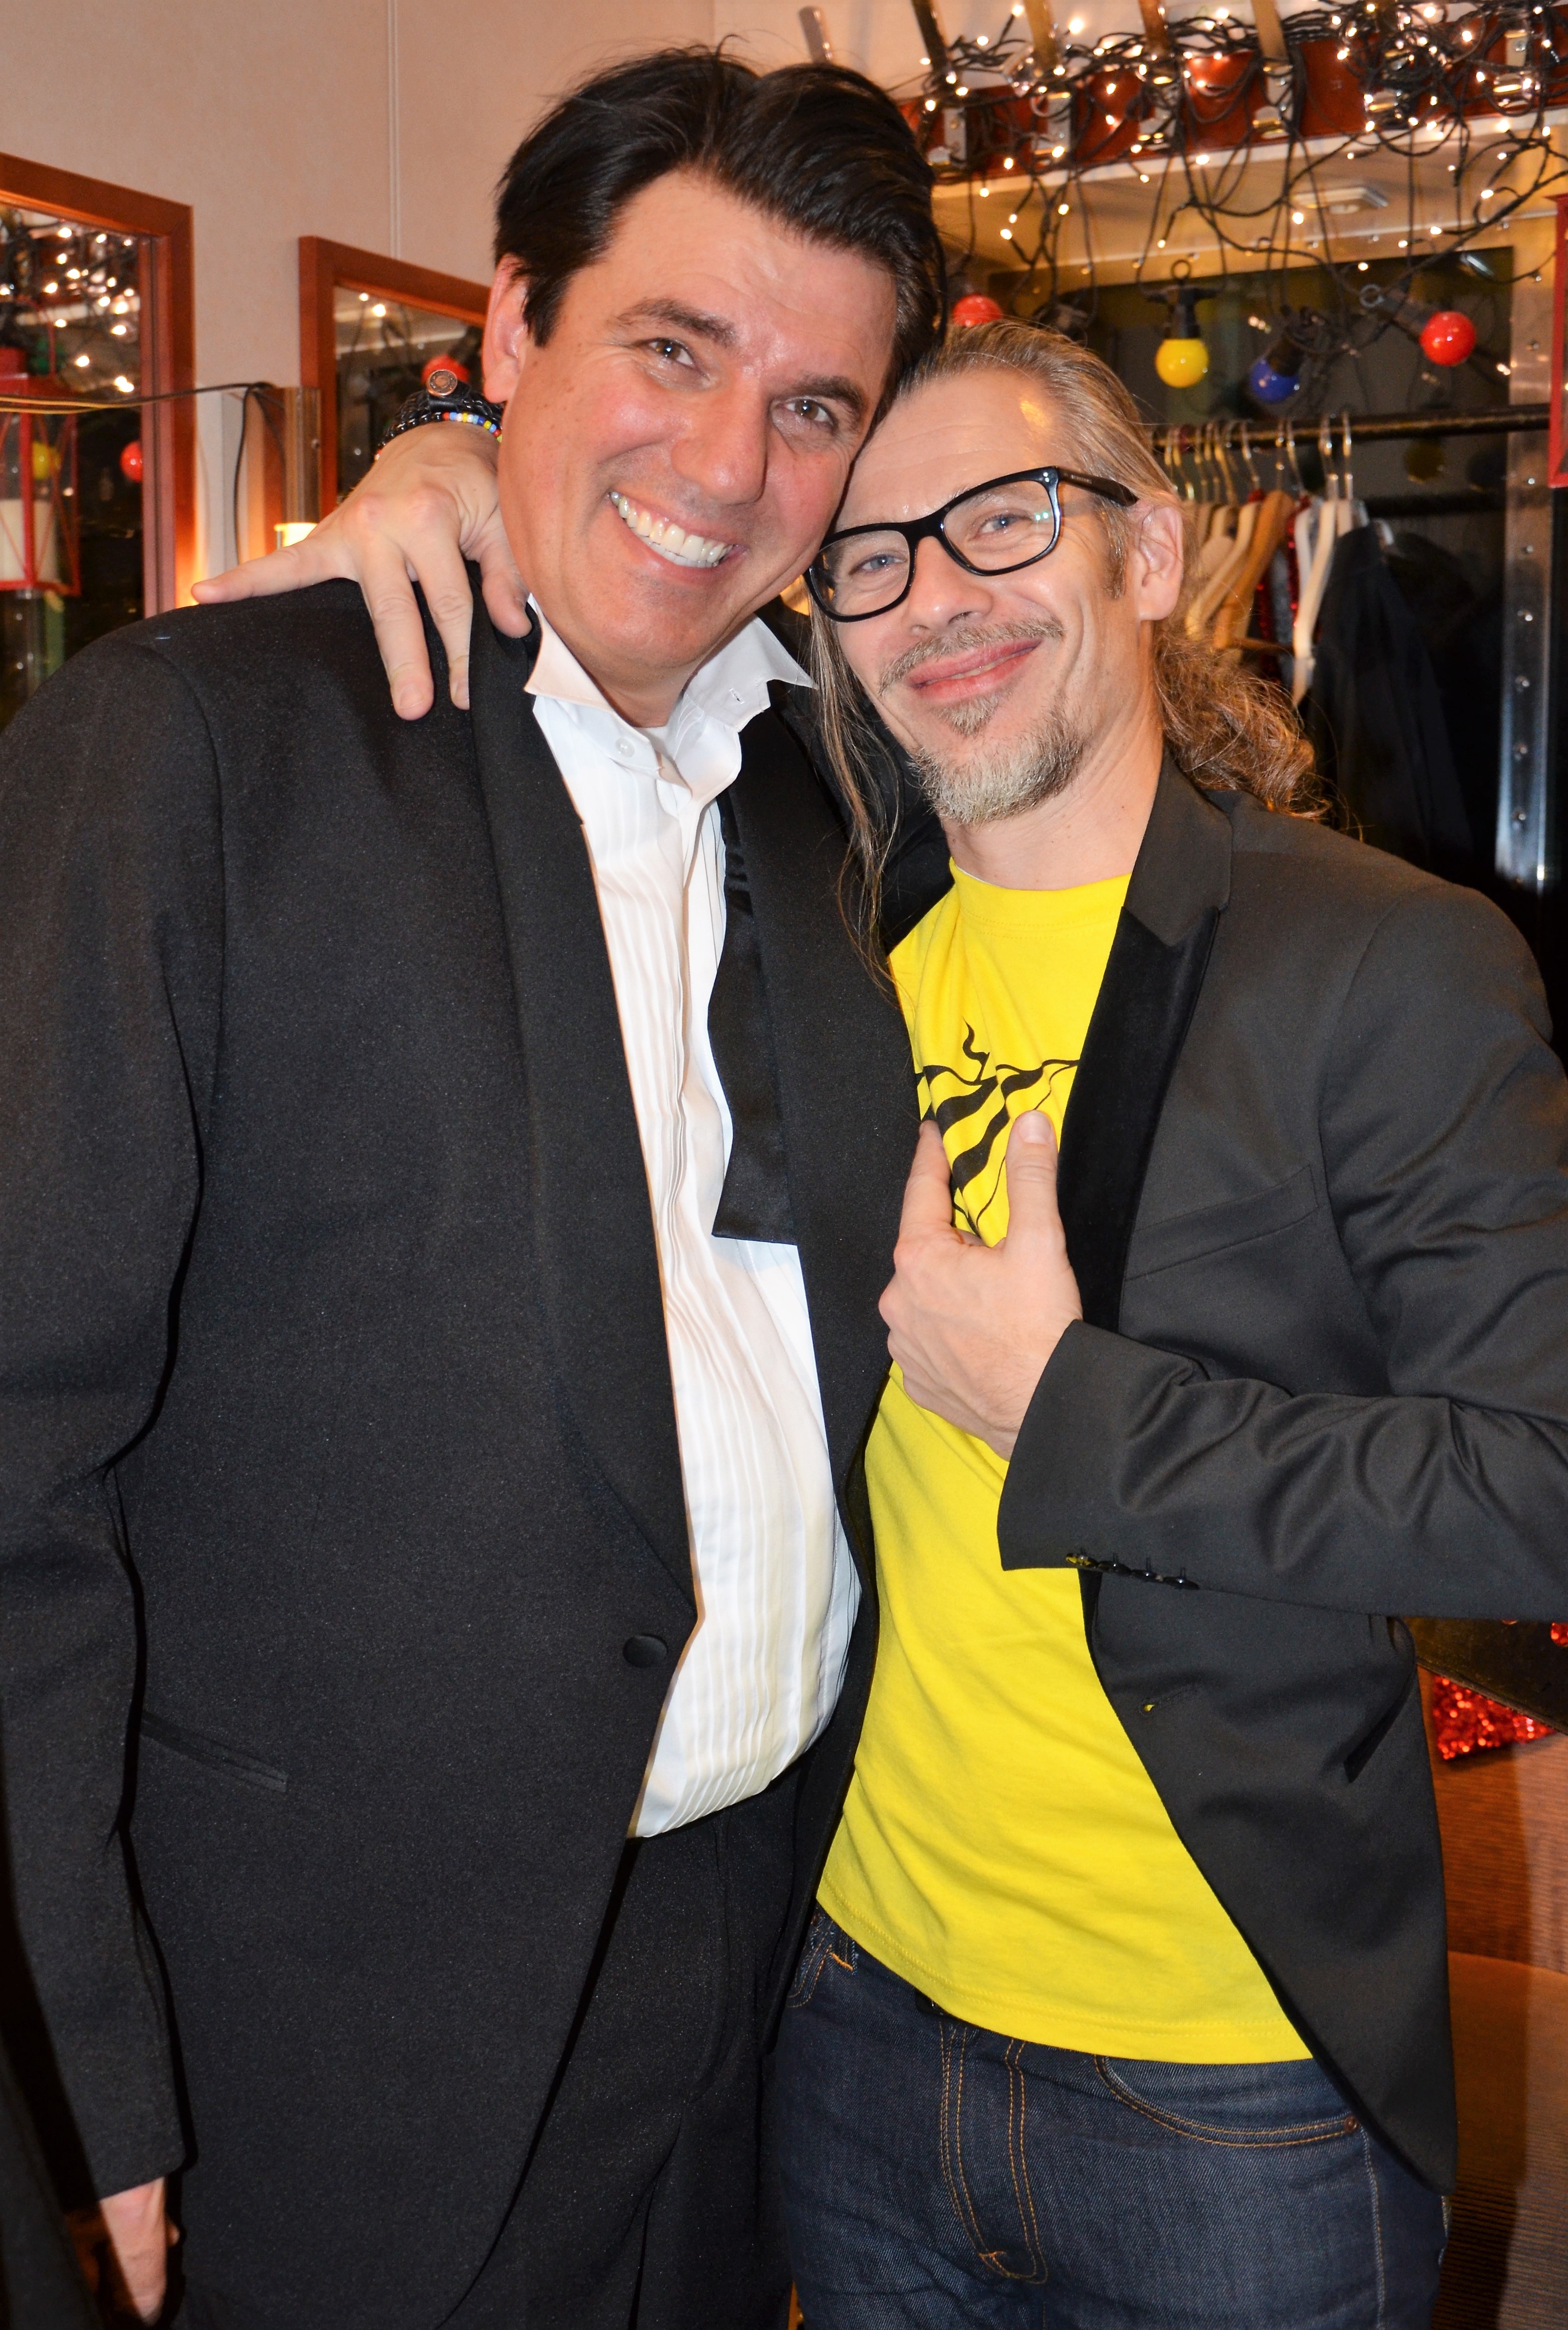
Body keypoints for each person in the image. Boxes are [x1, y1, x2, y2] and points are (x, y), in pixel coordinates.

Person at [274, 321, 1568, 2330]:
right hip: (852, 2020)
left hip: (1220, 2069)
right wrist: (453, 457)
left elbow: (1537, 1487)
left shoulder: (1380, 962)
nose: (933, 596)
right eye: (870, 554)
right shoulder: (822, 940)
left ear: (1151, 553)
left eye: (1005, 518)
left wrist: (1068, 1409)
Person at [0, 49, 944, 2330]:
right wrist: (71, 2074)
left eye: (813, 407)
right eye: (668, 349)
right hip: (328, 2019)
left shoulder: (837, 798)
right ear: (508, 325)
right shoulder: (197, 743)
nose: (726, 466)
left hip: (762, 1956)